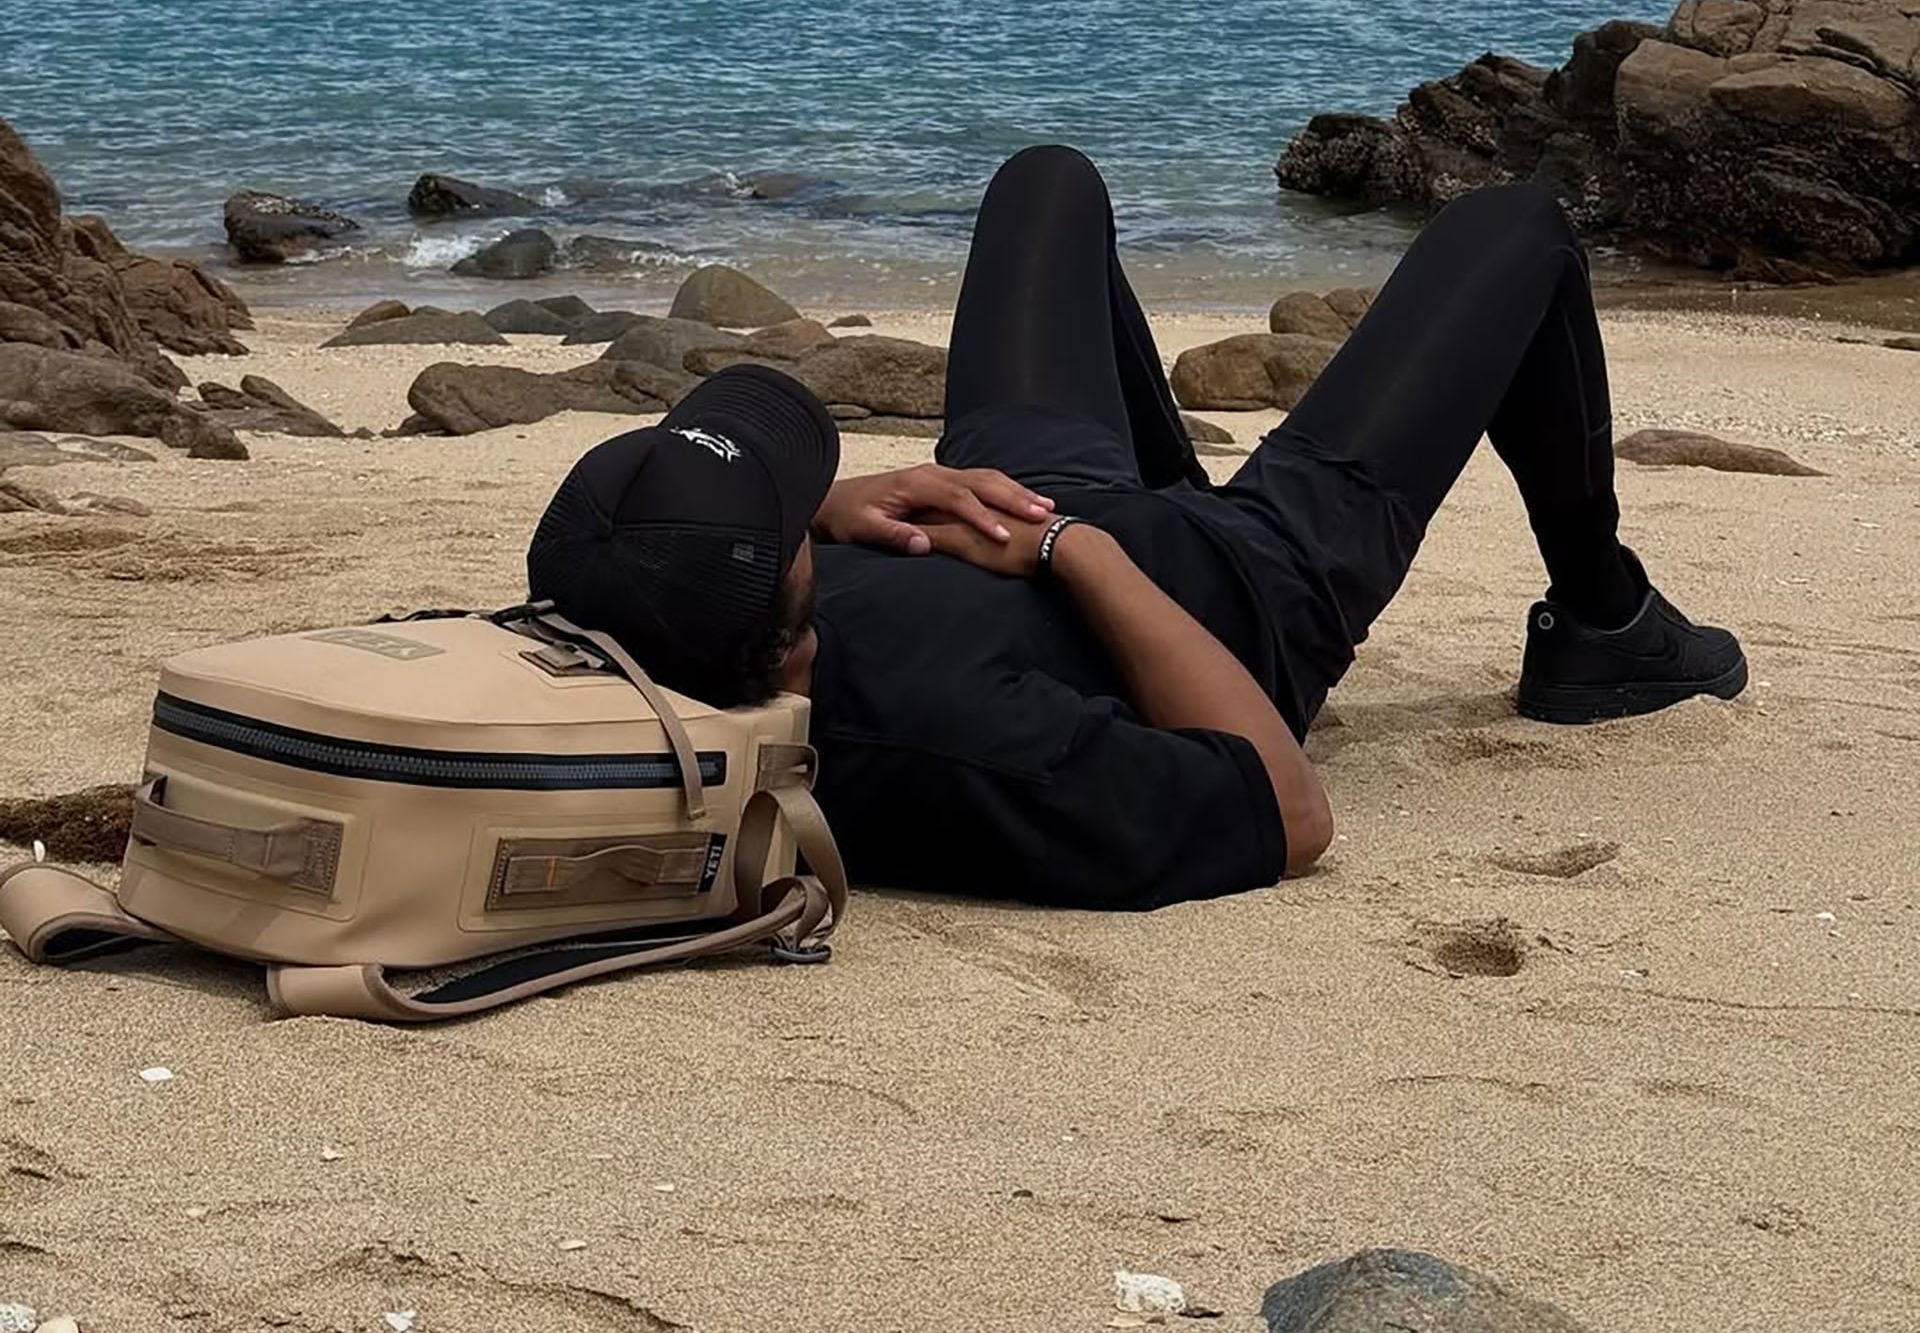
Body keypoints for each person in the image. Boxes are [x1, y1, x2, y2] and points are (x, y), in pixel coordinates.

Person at [528, 146, 1747, 910]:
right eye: (786, 521)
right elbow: (1289, 812)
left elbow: (630, 583)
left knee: (1046, 180)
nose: (805, 509)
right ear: (787, 643)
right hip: (1245, 586)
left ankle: (1161, 485)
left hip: (1024, 491)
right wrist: (1083, 557)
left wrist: (835, 506)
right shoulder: (967, 749)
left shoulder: (621, 623)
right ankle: (1605, 618)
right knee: (1516, 224)